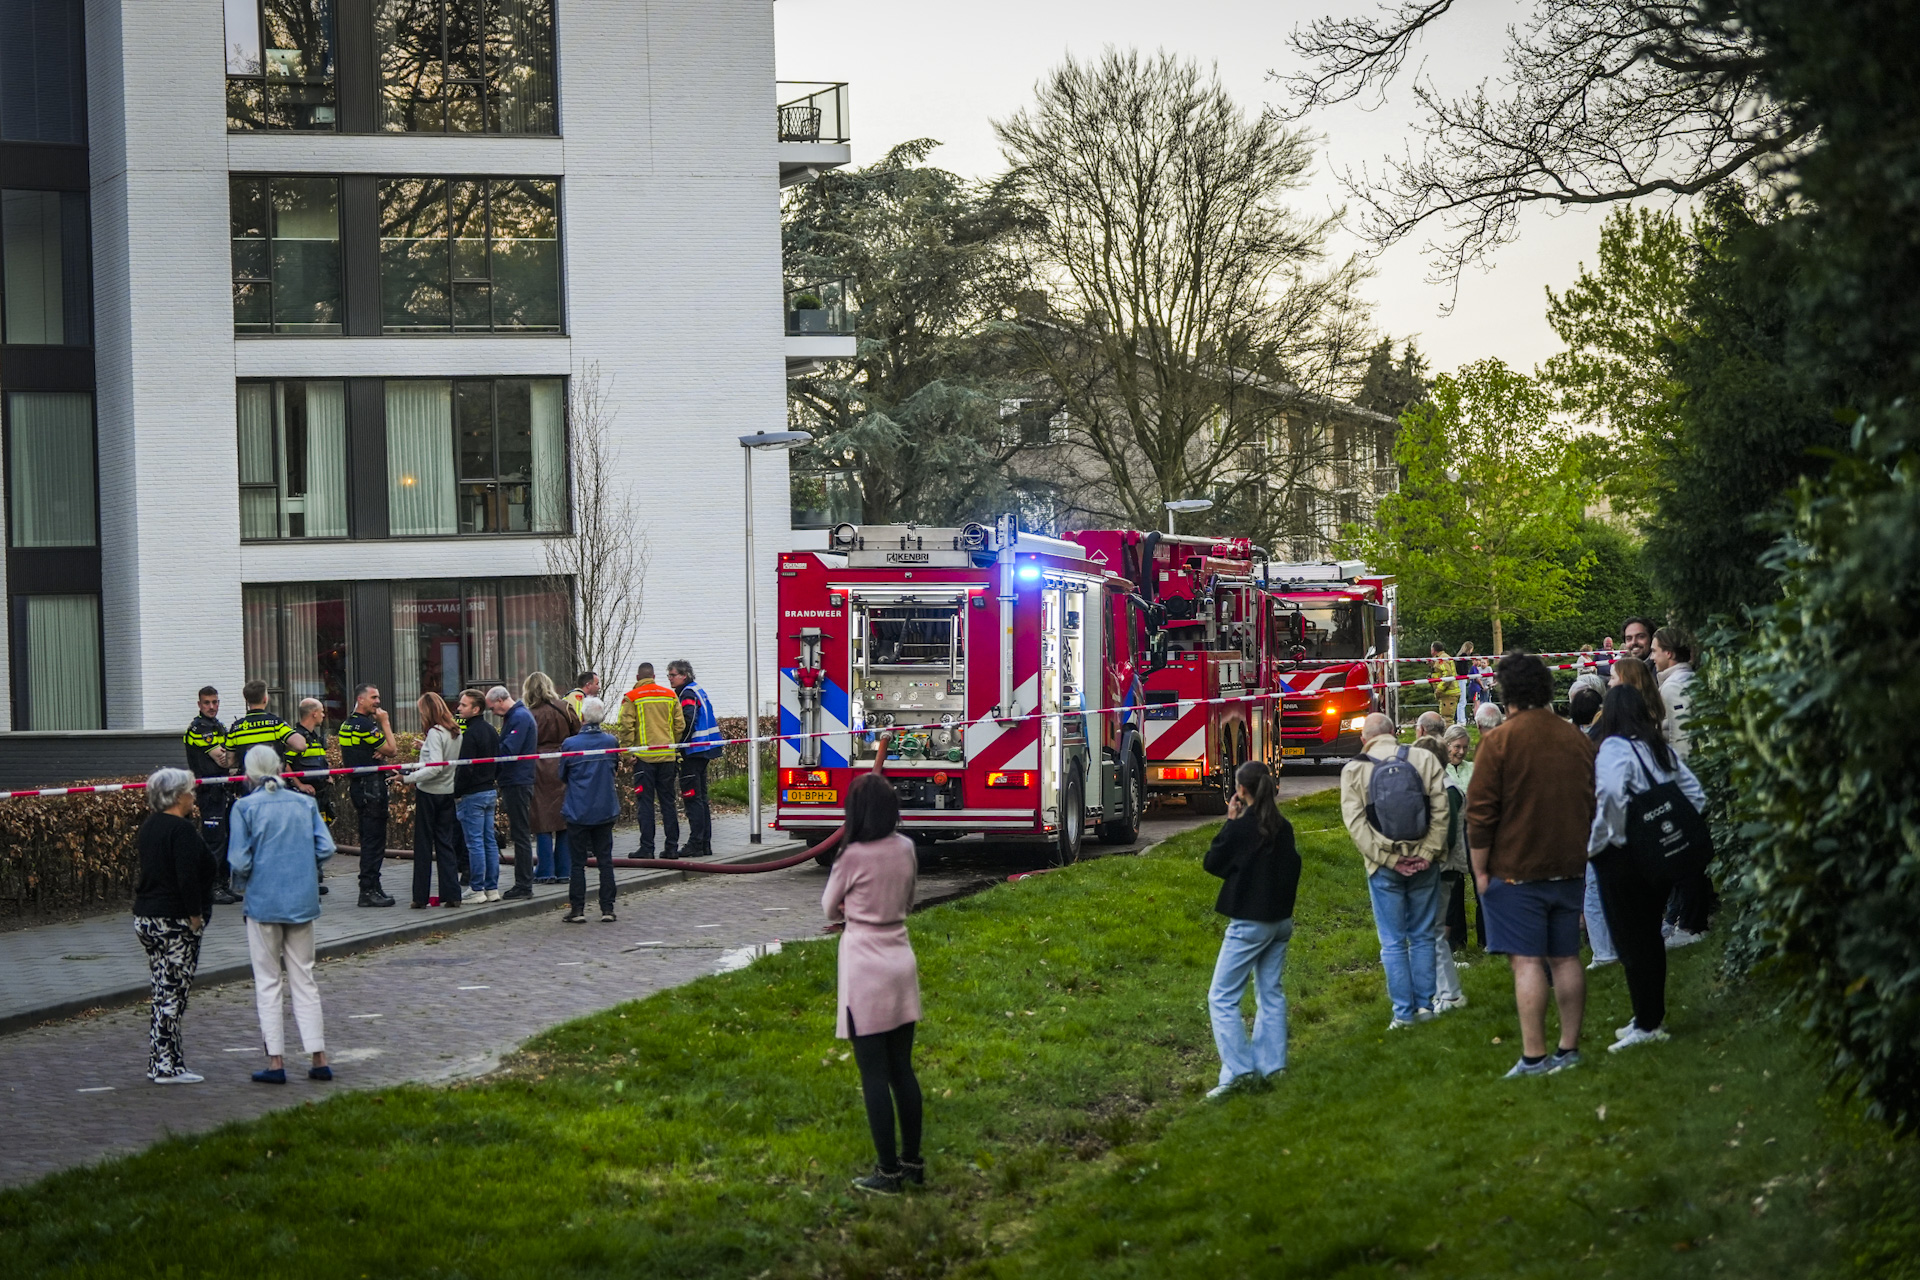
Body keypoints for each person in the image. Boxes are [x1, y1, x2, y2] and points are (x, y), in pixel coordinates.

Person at [1466, 652, 1598, 1079]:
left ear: (1507, 694)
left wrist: (1481, 870)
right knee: (1565, 958)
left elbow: (1481, 814)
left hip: (1516, 869)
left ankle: (1534, 1056)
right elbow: (1591, 799)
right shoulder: (1575, 738)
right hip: (1570, 865)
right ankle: (1569, 1048)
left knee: (1527, 962)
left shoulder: (1499, 741)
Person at [1588, 683, 1708, 1052]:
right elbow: (1696, 794)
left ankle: (1647, 1022)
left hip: (1623, 857)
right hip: (1660, 855)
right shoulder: (1658, 748)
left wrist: (1612, 836)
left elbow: (1608, 792)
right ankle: (1648, 1013)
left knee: (1631, 940)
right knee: (1650, 936)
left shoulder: (1612, 749)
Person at [823, 772, 925, 1195]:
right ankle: (913, 1162)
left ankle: (886, 1173)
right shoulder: (906, 848)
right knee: (903, 1069)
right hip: (901, 959)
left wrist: (850, 902)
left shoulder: (851, 856)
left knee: (874, 1074)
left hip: (865, 965)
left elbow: (829, 908)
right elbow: (909, 900)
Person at [227, 747, 336, 1084]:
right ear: (278, 768)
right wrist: (307, 870)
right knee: (305, 978)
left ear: (249, 774)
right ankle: (319, 1057)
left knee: (268, 981)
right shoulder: (304, 803)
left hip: (263, 902)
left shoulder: (244, 807)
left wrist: (245, 886)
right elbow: (327, 847)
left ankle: (276, 1062)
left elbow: (240, 861)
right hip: (302, 900)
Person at [1340, 713, 1449, 1029]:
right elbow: (1441, 811)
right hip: (1424, 863)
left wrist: (1388, 860)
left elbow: (1356, 824)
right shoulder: (1424, 758)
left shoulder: (1354, 769)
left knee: (1393, 941)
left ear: (1365, 738)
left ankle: (1403, 1014)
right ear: (1395, 732)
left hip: (1383, 866)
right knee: (1423, 935)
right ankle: (1426, 1006)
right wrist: (1427, 852)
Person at [1203, 760, 1303, 1097]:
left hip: (1249, 923)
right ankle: (1272, 1065)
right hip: (1281, 922)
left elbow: (1213, 863)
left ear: (1240, 791)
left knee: (1221, 997)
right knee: (1270, 992)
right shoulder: (1283, 826)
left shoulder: (1243, 828)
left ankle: (1240, 1071)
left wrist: (1229, 824)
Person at [133, 767, 217, 1084]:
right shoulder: (180, 830)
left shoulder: (150, 826)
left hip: (147, 917)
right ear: (179, 796)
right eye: (190, 792)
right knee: (173, 995)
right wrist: (195, 916)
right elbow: (186, 876)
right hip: (174, 920)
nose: (193, 797)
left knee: (162, 989)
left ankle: (167, 1060)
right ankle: (166, 1066)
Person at [1650, 627, 1712, 946]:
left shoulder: (1674, 688)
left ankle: (1691, 924)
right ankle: (1682, 918)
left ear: (1669, 654)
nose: (1652, 656)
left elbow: (1683, 741)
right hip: (1689, 778)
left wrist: (1678, 781)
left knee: (1686, 855)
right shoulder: (1684, 682)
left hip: (1685, 780)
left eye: (1656, 651)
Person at [1410, 724, 1468, 1013]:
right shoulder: (1441, 786)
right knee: (1430, 932)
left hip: (1444, 868)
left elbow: (1447, 836)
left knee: (1432, 933)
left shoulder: (1447, 789)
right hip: (1440, 866)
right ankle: (1440, 992)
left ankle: (1450, 993)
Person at [336, 684, 398, 908]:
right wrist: (385, 724)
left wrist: (379, 752)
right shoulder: (365, 725)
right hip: (372, 788)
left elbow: (360, 752)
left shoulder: (347, 724)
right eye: (373, 697)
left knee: (369, 839)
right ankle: (368, 890)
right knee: (374, 840)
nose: (378, 701)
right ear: (360, 700)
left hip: (359, 787)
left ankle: (373, 886)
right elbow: (392, 749)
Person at [560, 696, 620, 924]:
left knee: (577, 863)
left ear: (582, 717)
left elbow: (562, 775)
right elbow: (614, 767)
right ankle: (608, 908)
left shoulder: (570, 745)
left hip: (578, 809)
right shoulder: (611, 741)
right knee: (605, 860)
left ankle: (577, 909)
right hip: (604, 808)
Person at [616, 662, 682, 858]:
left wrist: (628, 754)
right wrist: (672, 745)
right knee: (668, 803)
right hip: (667, 758)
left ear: (638, 678)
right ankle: (672, 848)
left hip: (644, 760)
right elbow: (679, 725)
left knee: (645, 804)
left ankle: (647, 848)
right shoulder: (670, 695)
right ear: (654, 677)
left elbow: (625, 727)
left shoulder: (632, 697)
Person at [183, 686, 240, 906]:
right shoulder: (199, 729)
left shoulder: (219, 726)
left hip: (222, 790)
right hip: (208, 793)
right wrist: (239, 752)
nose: (212, 707)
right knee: (214, 842)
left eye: (215, 702)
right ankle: (211, 888)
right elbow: (224, 760)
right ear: (199, 705)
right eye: (207, 703)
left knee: (226, 839)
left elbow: (229, 755)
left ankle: (223, 884)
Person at [406, 692, 463, 909]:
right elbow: (445, 761)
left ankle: (420, 896)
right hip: (446, 791)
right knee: (445, 843)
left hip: (429, 792)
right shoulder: (454, 732)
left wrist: (407, 778)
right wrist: (426, 748)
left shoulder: (434, 732)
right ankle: (452, 893)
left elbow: (435, 766)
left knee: (422, 845)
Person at [525, 672, 579, 884]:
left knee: (542, 821)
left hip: (538, 766)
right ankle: (565, 869)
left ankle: (545, 870)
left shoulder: (529, 714)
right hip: (564, 764)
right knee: (563, 819)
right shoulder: (565, 707)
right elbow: (578, 733)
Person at [487, 685, 539, 900]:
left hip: (517, 781)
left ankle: (524, 884)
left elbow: (509, 750)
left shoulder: (519, 717)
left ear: (500, 701)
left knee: (520, 834)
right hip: (516, 780)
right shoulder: (517, 716)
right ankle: (523, 882)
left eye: (492, 708)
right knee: (520, 833)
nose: (492, 712)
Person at [669, 659, 724, 858]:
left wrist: (680, 743)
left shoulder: (687, 693)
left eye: (673, 675)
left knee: (692, 798)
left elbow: (688, 718)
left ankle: (696, 843)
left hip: (693, 751)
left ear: (684, 675)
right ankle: (704, 844)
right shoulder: (696, 689)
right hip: (704, 750)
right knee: (701, 799)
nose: (670, 679)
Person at [453, 689, 502, 902]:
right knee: (489, 841)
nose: (459, 708)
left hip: (472, 794)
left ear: (476, 709)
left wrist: (456, 792)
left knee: (474, 843)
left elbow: (465, 768)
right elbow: (500, 760)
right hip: (489, 791)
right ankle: (492, 889)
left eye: (463, 705)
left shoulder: (470, 734)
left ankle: (476, 889)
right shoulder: (491, 731)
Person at [1441, 724, 1482, 952]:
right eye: (1457, 747)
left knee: (1480, 885)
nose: (1460, 752)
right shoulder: (1440, 770)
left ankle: (1487, 940)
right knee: (1454, 888)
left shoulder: (1473, 768)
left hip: (1473, 831)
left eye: (1465, 747)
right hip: (1454, 833)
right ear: (1447, 745)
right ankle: (1457, 942)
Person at [291, 698, 333, 897]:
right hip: (305, 797)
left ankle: (316, 878)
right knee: (306, 839)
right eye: (321, 711)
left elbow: (318, 762)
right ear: (313, 713)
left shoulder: (315, 737)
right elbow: (285, 764)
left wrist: (327, 775)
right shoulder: (296, 738)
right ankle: (308, 881)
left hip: (320, 794)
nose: (324, 715)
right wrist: (299, 785)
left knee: (316, 837)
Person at [1430, 642, 1459, 724]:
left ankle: (1448, 736)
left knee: (1447, 719)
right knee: (1445, 718)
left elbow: (1447, 674)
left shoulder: (1441, 659)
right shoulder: (1442, 657)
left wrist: (1439, 689)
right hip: (1448, 693)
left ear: (1433, 650)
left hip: (1448, 693)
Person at [1453, 641, 1478, 725]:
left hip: (1461, 678)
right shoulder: (1463, 657)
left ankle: (1460, 719)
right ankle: (1461, 720)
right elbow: (1462, 669)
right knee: (1462, 700)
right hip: (1461, 678)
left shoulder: (1460, 656)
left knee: (1461, 700)